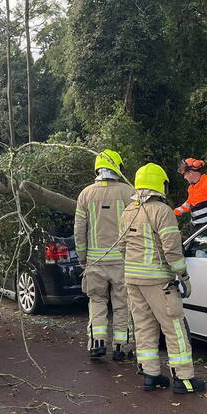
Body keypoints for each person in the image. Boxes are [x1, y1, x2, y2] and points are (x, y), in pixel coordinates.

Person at [121, 163, 206, 395]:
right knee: (174, 328)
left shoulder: (128, 210)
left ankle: (151, 375)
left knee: (144, 327)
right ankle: (184, 379)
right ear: (160, 184)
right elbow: (172, 249)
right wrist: (184, 276)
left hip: (133, 280)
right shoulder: (162, 211)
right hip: (159, 281)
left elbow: (122, 247)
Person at [74, 149, 134, 361]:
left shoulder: (86, 194)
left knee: (97, 301)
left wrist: (82, 256)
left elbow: (79, 230)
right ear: (117, 167)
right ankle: (121, 347)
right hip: (122, 261)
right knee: (122, 304)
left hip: (95, 261)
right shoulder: (129, 192)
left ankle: (97, 343)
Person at [174, 158, 207, 230]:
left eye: (185, 174)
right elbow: (189, 204)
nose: (184, 177)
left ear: (191, 172)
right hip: (197, 228)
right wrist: (174, 212)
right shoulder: (191, 188)